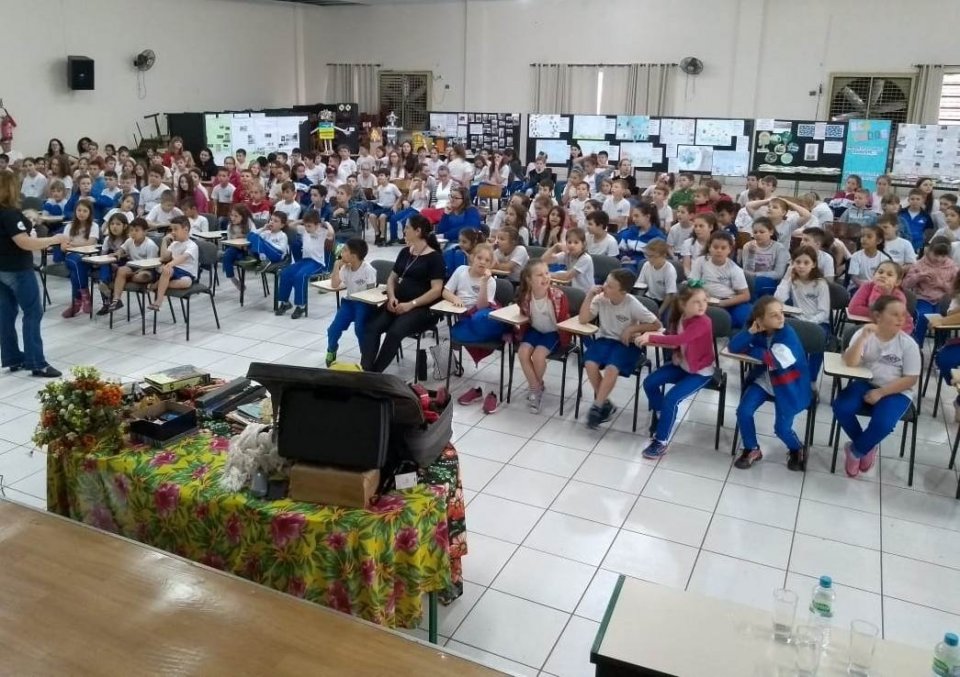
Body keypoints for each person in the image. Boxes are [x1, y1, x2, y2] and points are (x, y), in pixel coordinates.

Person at [833, 296, 921, 477]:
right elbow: (850, 362)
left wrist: (881, 392)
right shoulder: (864, 334)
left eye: (903, 315)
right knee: (840, 407)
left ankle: (856, 451)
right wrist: (863, 337)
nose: (900, 319)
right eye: (894, 314)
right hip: (866, 382)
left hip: (897, 390)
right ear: (878, 316)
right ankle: (867, 446)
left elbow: (911, 379)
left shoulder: (908, 344)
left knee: (883, 423)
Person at [729, 296, 812, 470]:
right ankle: (752, 448)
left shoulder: (788, 333)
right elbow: (733, 347)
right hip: (765, 381)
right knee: (743, 411)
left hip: (788, 386)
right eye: (774, 315)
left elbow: (774, 359)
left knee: (781, 429)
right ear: (760, 320)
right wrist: (750, 332)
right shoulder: (757, 330)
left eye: (781, 312)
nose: (781, 317)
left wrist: (751, 349)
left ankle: (796, 448)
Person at [636, 284, 715, 457]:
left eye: (704, 300)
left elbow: (679, 339)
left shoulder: (703, 321)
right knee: (649, 382)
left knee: (671, 399)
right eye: (696, 302)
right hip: (682, 365)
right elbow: (673, 336)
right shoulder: (679, 317)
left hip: (700, 372)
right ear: (683, 305)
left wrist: (651, 337)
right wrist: (663, 340)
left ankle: (661, 441)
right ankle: (660, 414)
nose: (702, 305)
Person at [0, 172, 67, 377]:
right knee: (32, 313)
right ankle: (36, 362)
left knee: (6, 314)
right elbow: (25, 242)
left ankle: (12, 357)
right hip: (17, 268)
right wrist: (54, 239)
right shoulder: (10, 213)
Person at [360, 215, 444, 373]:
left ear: (418, 231)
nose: (404, 230)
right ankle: (366, 370)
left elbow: (436, 290)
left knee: (394, 332)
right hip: (399, 301)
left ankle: (375, 373)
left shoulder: (435, 258)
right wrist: (391, 297)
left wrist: (411, 305)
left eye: (407, 227)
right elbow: (392, 278)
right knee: (372, 326)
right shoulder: (406, 252)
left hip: (422, 308)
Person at [580, 269, 661, 429]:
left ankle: (597, 406)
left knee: (611, 368)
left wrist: (631, 330)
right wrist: (589, 296)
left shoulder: (632, 303)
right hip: (605, 340)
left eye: (610, 286)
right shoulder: (600, 298)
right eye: (605, 283)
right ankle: (606, 403)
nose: (604, 287)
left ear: (622, 292)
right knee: (589, 363)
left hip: (626, 344)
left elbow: (657, 324)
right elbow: (583, 319)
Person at [514, 259, 571, 414]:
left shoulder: (558, 295)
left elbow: (565, 319)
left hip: (553, 332)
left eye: (547, 273)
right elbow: (523, 315)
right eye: (539, 275)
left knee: (539, 356)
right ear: (529, 280)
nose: (545, 277)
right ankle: (536, 386)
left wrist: (566, 337)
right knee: (523, 352)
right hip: (535, 330)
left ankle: (535, 389)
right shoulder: (525, 296)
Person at [325, 238, 377, 367]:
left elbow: (372, 293)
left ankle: (365, 357)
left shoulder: (368, 270)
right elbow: (334, 284)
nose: (342, 252)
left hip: (364, 303)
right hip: (349, 303)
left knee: (359, 329)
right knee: (333, 329)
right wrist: (337, 265)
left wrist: (367, 304)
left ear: (353, 256)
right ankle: (331, 349)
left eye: (345, 250)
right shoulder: (346, 268)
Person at [690, 231, 752, 328]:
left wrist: (722, 304)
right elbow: (692, 283)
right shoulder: (700, 262)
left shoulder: (735, 269)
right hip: (705, 300)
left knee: (742, 318)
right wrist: (701, 292)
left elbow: (745, 295)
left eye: (723, 248)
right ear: (709, 247)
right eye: (715, 247)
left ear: (729, 250)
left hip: (729, 302)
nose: (719, 251)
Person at [275, 212, 330, 319]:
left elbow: (332, 233)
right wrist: (303, 221)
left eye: (309, 226)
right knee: (285, 273)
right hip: (304, 261)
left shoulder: (322, 232)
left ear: (317, 225)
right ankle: (285, 303)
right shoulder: (305, 230)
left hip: (317, 263)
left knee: (301, 276)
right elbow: (290, 226)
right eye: (306, 225)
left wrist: (326, 223)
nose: (307, 228)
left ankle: (301, 306)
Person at [903, 236, 957, 343]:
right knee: (922, 316)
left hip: (944, 301)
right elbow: (906, 284)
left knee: (943, 319)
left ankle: (941, 346)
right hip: (923, 299)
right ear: (929, 250)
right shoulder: (919, 264)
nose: (939, 259)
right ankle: (917, 344)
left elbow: (955, 290)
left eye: (943, 256)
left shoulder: (953, 267)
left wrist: (941, 284)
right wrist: (919, 276)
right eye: (936, 255)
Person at [105, 218, 160, 313]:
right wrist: (117, 253)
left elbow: (151, 265)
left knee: (142, 276)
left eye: (137, 230)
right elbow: (121, 249)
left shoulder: (151, 245)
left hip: (147, 269)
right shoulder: (129, 241)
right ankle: (116, 300)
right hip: (133, 267)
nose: (133, 233)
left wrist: (135, 272)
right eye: (131, 230)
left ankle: (121, 278)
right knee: (122, 270)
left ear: (145, 232)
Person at [848, 260, 914, 335]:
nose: (883, 276)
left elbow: (894, 316)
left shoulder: (898, 295)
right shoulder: (867, 286)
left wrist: (877, 313)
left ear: (897, 282)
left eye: (889, 275)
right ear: (874, 275)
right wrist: (881, 314)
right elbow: (853, 308)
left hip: (896, 331)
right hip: (869, 324)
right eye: (880, 272)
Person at [61, 199, 100, 318]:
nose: (81, 213)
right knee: (76, 262)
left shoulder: (94, 225)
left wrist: (72, 244)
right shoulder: (69, 226)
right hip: (71, 257)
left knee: (75, 272)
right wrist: (70, 245)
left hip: (88, 257)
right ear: (75, 211)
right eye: (79, 210)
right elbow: (64, 247)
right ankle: (85, 295)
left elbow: (91, 243)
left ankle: (76, 303)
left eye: (85, 211)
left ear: (90, 213)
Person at [149, 217, 199, 311]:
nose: (172, 232)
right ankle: (159, 300)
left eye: (175, 229)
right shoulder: (174, 244)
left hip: (187, 272)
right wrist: (164, 241)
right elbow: (164, 257)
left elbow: (183, 257)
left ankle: (159, 284)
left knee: (186, 282)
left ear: (186, 230)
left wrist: (170, 264)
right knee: (167, 270)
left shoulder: (192, 245)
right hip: (174, 270)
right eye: (171, 229)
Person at [741, 217, 789, 297]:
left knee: (760, 283)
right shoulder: (748, 246)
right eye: (755, 232)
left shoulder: (779, 248)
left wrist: (756, 275)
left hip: (770, 282)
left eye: (762, 232)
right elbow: (747, 271)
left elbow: (778, 274)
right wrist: (751, 255)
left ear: (771, 232)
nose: (758, 235)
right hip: (751, 280)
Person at [542, 227, 594, 291]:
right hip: (573, 288)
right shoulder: (567, 254)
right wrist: (555, 247)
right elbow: (543, 261)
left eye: (576, 242)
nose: (572, 245)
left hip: (584, 292)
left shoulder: (586, 259)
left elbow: (567, 276)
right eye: (569, 242)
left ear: (583, 244)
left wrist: (545, 275)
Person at [637, 239, 678, 318]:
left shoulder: (669, 270)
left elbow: (669, 295)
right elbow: (640, 286)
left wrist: (659, 312)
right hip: (650, 298)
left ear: (663, 255)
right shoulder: (646, 265)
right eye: (647, 255)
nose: (650, 259)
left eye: (653, 256)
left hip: (664, 301)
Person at [847, 225, 890, 289]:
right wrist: (866, 288)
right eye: (862, 236)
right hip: (857, 288)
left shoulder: (885, 259)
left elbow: (885, 278)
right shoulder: (856, 256)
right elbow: (854, 278)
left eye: (869, 237)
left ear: (879, 241)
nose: (864, 239)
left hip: (877, 287)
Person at [682, 212, 718, 276]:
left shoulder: (717, 244)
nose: (697, 229)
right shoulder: (688, 243)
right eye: (695, 226)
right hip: (694, 278)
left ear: (711, 227)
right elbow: (686, 267)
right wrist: (691, 280)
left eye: (701, 226)